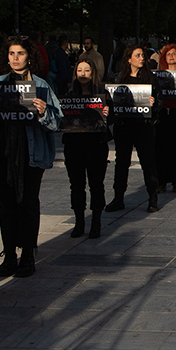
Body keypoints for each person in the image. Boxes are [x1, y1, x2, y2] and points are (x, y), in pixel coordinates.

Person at [0, 36, 62, 276]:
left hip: (31, 153)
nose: (16, 58)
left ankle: (28, 254)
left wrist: (43, 112)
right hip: (3, 153)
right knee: (6, 205)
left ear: (29, 56)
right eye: (11, 53)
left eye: (20, 53)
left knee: (28, 204)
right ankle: (9, 254)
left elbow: (57, 121)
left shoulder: (41, 85)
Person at [62, 57, 111, 239]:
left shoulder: (102, 93)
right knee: (76, 185)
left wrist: (107, 112)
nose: (83, 74)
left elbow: (111, 120)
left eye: (87, 70)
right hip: (74, 145)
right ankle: (79, 221)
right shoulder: (68, 94)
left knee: (96, 184)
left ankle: (96, 221)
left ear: (93, 73)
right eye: (79, 70)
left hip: (96, 144)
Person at [106, 44, 158, 212]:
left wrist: (153, 104)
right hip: (124, 126)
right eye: (137, 55)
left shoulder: (150, 79)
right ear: (129, 59)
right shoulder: (119, 79)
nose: (141, 58)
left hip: (143, 126)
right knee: (121, 163)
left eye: (142, 55)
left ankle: (153, 198)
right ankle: (118, 197)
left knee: (148, 162)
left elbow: (159, 104)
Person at [153, 43, 176, 196]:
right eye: (168, 54)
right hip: (163, 111)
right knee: (161, 146)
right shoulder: (158, 75)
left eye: (174, 54)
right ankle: (161, 181)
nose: (171, 57)